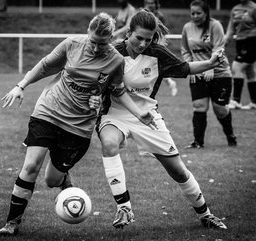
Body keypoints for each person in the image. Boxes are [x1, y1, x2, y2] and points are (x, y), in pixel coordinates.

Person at [0, 12, 155, 236]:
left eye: (102, 43)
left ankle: (62, 178)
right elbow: (45, 66)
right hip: (49, 111)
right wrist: (20, 86)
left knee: (51, 180)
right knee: (31, 166)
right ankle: (12, 222)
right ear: (87, 33)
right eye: (93, 41)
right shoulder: (72, 44)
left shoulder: (115, 60)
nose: (96, 47)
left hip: (79, 126)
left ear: (110, 39)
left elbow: (117, 90)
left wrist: (139, 114)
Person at [95, 10, 227, 230]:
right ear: (128, 33)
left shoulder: (158, 53)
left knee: (178, 170)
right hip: (114, 114)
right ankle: (124, 208)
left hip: (148, 116)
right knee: (109, 143)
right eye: (139, 38)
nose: (143, 43)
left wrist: (211, 63)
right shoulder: (113, 52)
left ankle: (206, 214)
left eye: (148, 39)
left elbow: (185, 68)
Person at [181, 0, 237, 148]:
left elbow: (219, 48)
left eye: (198, 13)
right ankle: (198, 143)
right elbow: (185, 50)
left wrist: (211, 66)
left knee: (220, 109)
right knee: (199, 106)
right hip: (198, 73)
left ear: (206, 13)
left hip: (220, 73)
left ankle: (230, 136)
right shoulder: (187, 28)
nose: (195, 16)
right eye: (192, 13)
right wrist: (189, 67)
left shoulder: (215, 25)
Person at [224, 0, 256, 110]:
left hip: (253, 42)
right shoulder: (235, 9)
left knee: (237, 67)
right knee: (250, 71)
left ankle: (236, 101)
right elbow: (230, 29)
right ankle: (255, 103)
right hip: (240, 42)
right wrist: (223, 43)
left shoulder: (255, 9)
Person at [144, 0, 178, 97]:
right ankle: (170, 82)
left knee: (155, 67)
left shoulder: (160, 16)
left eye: (152, 3)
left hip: (155, 45)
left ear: (156, 4)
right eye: (148, 2)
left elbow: (162, 32)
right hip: (146, 44)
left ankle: (169, 83)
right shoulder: (143, 14)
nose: (150, 5)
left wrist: (159, 45)